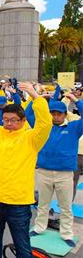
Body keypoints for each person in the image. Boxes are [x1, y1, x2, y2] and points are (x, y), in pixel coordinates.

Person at [0, 80, 52, 258]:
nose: (8, 124)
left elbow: (45, 123)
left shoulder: (32, 138)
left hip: (18, 203)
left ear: (23, 120)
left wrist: (36, 96)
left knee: (22, 245)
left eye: (13, 120)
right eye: (5, 119)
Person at [31, 93, 82, 247]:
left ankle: (66, 233)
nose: (55, 116)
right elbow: (28, 114)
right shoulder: (43, 127)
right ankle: (39, 227)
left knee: (65, 206)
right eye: (52, 113)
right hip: (43, 172)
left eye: (58, 113)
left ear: (65, 114)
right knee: (43, 204)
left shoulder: (73, 128)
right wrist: (38, 98)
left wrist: (76, 100)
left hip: (65, 174)